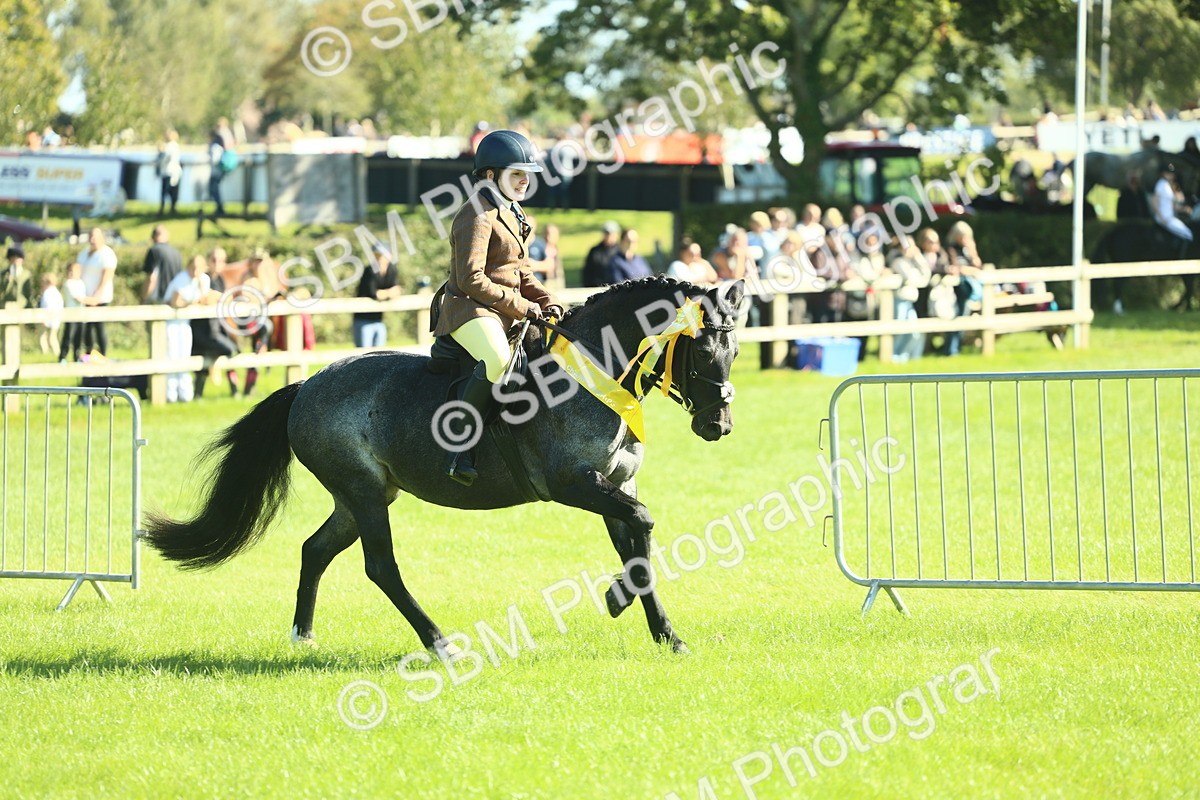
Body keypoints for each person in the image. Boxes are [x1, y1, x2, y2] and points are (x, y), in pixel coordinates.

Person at [431, 129, 564, 486]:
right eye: (516, 174)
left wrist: (547, 300)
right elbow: (471, 278)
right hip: (467, 308)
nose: (524, 181)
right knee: (499, 360)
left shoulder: (512, 212)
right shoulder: (477, 212)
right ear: (491, 175)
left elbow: (521, 273)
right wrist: (522, 306)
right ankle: (458, 444)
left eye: (527, 174)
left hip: (500, 307)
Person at [162, 255, 210, 403]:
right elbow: (174, 301)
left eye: (198, 268)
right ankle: (170, 394)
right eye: (192, 267)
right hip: (172, 322)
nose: (195, 271)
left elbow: (205, 299)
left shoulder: (203, 280)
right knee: (172, 356)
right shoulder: (182, 278)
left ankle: (185, 394)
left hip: (185, 323)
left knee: (184, 356)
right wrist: (190, 303)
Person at [942, 221, 985, 356]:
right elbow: (956, 267)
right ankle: (951, 349)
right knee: (956, 318)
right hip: (956, 290)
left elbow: (978, 265)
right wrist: (969, 270)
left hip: (968, 289)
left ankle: (957, 348)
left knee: (963, 317)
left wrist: (973, 251)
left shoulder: (967, 249)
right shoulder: (951, 248)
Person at [352, 242, 401, 347]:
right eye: (375, 255)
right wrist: (389, 293)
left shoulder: (392, 269)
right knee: (363, 358)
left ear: (389, 255)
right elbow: (373, 293)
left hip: (379, 320)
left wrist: (385, 293)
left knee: (379, 357)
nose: (379, 258)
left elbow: (397, 290)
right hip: (363, 320)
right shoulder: (370, 270)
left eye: (381, 255)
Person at [77, 228, 116, 355]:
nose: (92, 239)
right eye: (91, 236)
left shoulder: (107, 254)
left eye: (95, 236)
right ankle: (88, 355)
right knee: (87, 328)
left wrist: (97, 296)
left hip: (100, 298)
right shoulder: (84, 253)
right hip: (85, 297)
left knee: (99, 327)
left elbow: (107, 276)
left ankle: (103, 355)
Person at [1153, 163, 1195, 257]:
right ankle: (1182, 257)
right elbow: (1154, 202)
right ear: (1164, 173)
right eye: (1169, 173)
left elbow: (1170, 205)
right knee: (1188, 234)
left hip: (1168, 216)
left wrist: (1183, 209)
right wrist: (1161, 217)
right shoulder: (1161, 184)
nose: (1172, 175)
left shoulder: (1168, 185)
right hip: (1165, 218)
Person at [140, 225, 183, 303]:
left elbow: (151, 278)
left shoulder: (154, 250)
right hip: (172, 299)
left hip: (158, 300)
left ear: (153, 237)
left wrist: (143, 298)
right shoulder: (177, 253)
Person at [58, 262, 87, 363]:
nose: (70, 273)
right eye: (69, 270)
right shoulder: (68, 284)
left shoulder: (81, 283)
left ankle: (77, 358)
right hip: (71, 315)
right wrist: (93, 301)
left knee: (79, 339)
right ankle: (62, 357)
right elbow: (78, 299)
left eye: (73, 271)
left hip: (81, 315)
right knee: (68, 337)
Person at [582, 221, 621, 287]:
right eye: (606, 233)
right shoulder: (595, 251)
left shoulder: (620, 251)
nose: (609, 236)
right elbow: (588, 273)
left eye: (611, 233)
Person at [156, 129, 182, 217]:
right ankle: (172, 209)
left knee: (165, 192)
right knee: (172, 192)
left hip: (169, 171)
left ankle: (164, 209)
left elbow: (165, 158)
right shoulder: (175, 146)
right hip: (173, 171)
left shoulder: (169, 147)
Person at [527, 218, 561, 286]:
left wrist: (534, 265)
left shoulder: (540, 243)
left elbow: (550, 264)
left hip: (538, 283)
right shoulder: (517, 243)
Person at [2, 245, 34, 309]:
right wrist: (8, 281)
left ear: (22, 259)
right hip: (6, 308)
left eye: (18, 257)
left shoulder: (27, 274)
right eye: (13, 258)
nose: (15, 260)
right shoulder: (3, 274)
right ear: (9, 259)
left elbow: (29, 294)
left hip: (21, 308)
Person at [38, 273, 63, 354]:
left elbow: (46, 306)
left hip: (48, 317)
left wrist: (44, 318)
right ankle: (57, 353)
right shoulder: (57, 292)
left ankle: (45, 353)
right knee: (53, 337)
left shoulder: (48, 293)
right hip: (56, 318)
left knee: (43, 336)